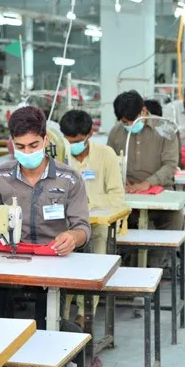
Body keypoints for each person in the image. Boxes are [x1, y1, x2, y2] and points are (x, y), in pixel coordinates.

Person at [0, 106, 91, 330]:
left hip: (52, 262)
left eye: (34, 145)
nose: (28, 152)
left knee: (46, 326)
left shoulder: (69, 179)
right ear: (12, 143)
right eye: (21, 146)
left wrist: (72, 237)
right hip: (6, 261)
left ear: (45, 140)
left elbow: (82, 227)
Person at [60, 110, 125, 328]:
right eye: (69, 141)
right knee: (62, 259)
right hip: (65, 222)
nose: (73, 146)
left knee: (95, 256)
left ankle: (85, 313)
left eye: (77, 141)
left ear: (90, 134)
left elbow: (117, 196)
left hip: (98, 223)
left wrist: (86, 202)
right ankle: (61, 314)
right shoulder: (60, 156)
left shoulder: (106, 155)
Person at [107, 90, 184, 268]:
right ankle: (125, 264)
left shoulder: (165, 127)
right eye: (124, 122)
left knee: (174, 219)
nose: (128, 125)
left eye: (131, 121)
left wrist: (147, 183)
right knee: (110, 222)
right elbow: (110, 161)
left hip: (160, 191)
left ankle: (153, 266)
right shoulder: (116, 132)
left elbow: (170, 164)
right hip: (127, 193)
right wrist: (119, 178)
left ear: (143, 111)